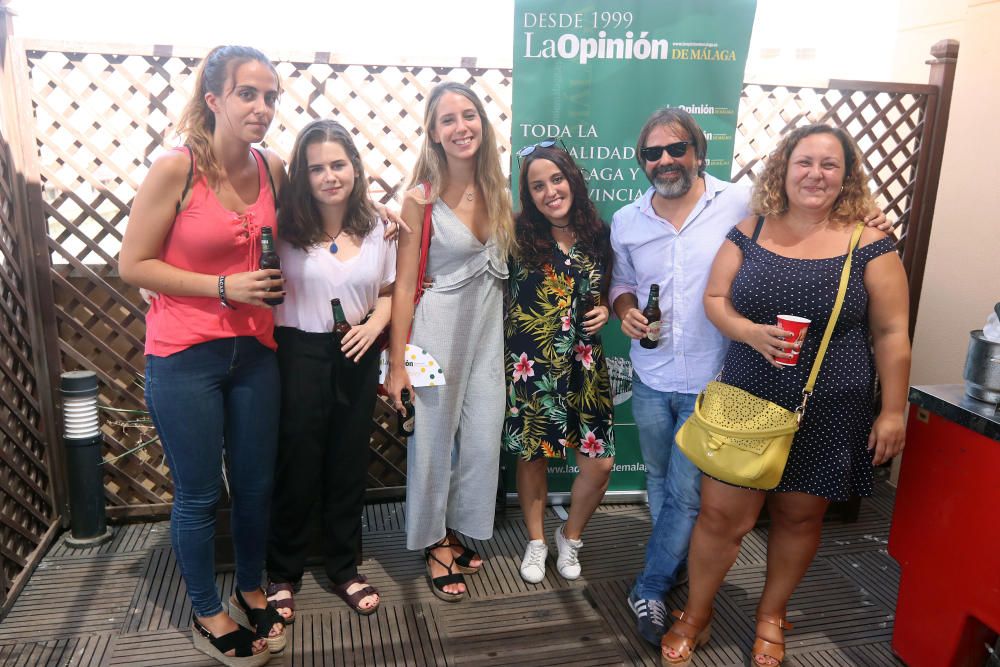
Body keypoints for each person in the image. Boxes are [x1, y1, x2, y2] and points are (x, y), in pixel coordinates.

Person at [610, 107, 889, 645]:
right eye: (653, 153)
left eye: (677, 149)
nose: (666, 160)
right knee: (661, 485)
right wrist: (624, 308)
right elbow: (623, 282)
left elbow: (817, 207)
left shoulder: (740, 204)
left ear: (698, 153)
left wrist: (873, 220)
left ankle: (652, 586)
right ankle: (680, 569)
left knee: (696, 501)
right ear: (642, 161)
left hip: (720, 384)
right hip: (651, 375)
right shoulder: (628, 220)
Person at [120, 45, 287, 666]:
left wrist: (373, 216)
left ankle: (248, 585)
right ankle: (205, 607)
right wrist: (223, 287)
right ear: (214, 98)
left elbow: (305, 226)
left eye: (271, 96)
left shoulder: (272, 167)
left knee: (254, 486)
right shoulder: (177, 168)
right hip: (185, 356)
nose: (263, 107)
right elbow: (132, 263)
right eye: (248, 93)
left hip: (257, 355)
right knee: (196, 495)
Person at [385, 81, 514, 602]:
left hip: (487, 337)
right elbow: (402, 286)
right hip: (435, 335)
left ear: (482, 123)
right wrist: (398, 366)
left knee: (483, 443)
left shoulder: (499, 191)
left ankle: (457, 523)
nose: (461, 127)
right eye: (447, 119)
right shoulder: (420, 199)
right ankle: (434, 540)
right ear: (434, 134)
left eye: (469, 115)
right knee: (433, 445)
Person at [263, 119, 394, 621]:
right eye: (316, 168)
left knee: (346, 464)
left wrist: (375, 325)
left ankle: (344, 566)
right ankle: (283, 572)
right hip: (297, 353)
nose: (329, 176)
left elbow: (390, 292)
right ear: (303, 175)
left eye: (338, 164)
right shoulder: (285, 228)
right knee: (296, 463)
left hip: (357, 353)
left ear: (355, 168)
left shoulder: (381, 225)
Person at [503, 142, 615, 584]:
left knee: (600, 464)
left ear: (572, 179)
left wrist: (606, 307)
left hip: (585, 365)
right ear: (527, 196)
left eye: (556, 179)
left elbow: (609, 289)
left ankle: (571, 536)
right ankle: (536, 542)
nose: (550, 191)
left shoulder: (600, 234)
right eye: (537, 186)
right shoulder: (514, 235)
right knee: (534, 457)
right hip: (531, 366)